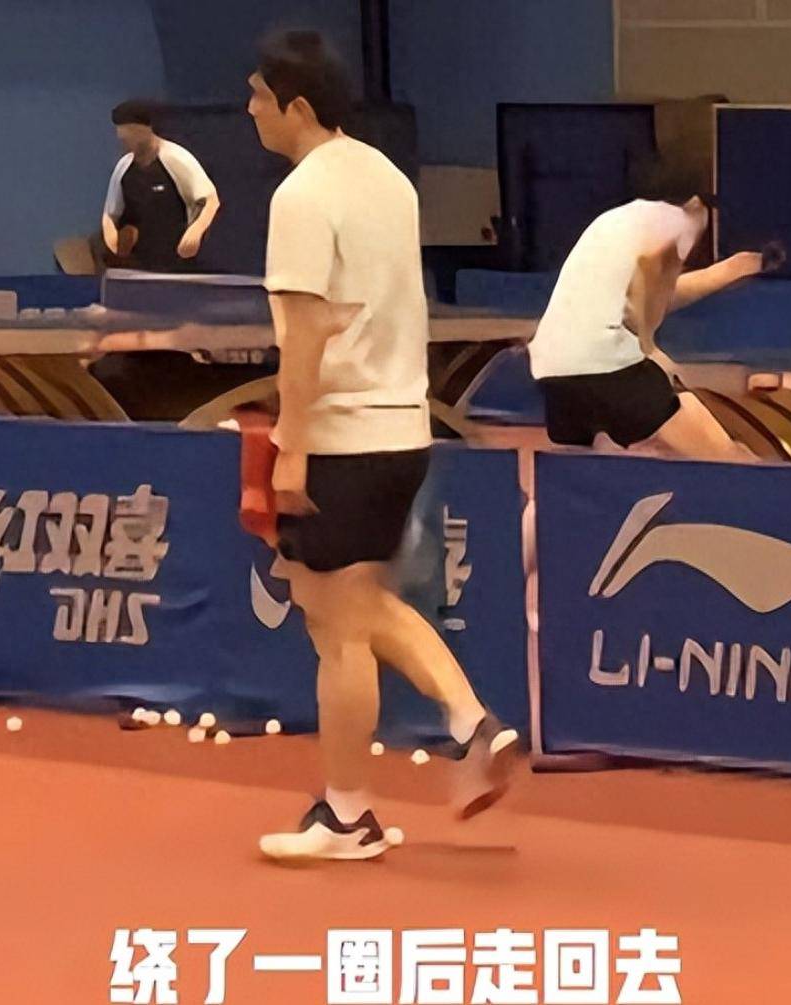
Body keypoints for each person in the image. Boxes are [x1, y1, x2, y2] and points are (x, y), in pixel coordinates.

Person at [247, 30, 517, 862]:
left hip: (340, 435)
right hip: (405, 431)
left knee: (339, 625)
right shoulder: (389, 179)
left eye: (257, 96)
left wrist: (292, 446)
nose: (249, 110)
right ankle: (464, 726)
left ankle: (353, 810)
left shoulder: (302, 196)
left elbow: (305, 333)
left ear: (296, 105)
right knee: (353, 605)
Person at [530, 193, 782, 459]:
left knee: (596, 470)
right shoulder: (674, 225)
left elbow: (658, 296)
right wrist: (648, 346)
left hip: (552, 376)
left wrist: (734, 268)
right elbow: (646, 282)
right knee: (728, 458)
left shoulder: (618, 225)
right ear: (695, 209)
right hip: (607, 369)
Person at [100, 100, 220, 273]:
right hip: (139, 265)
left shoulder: (175, 158)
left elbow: (211, 200)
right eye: (121, 134)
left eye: (130, 133)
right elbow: (110, 214)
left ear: (145, 130)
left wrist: (196, 231)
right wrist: (112, 239)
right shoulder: (123, 167)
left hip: (178, 261)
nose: (124, 139)